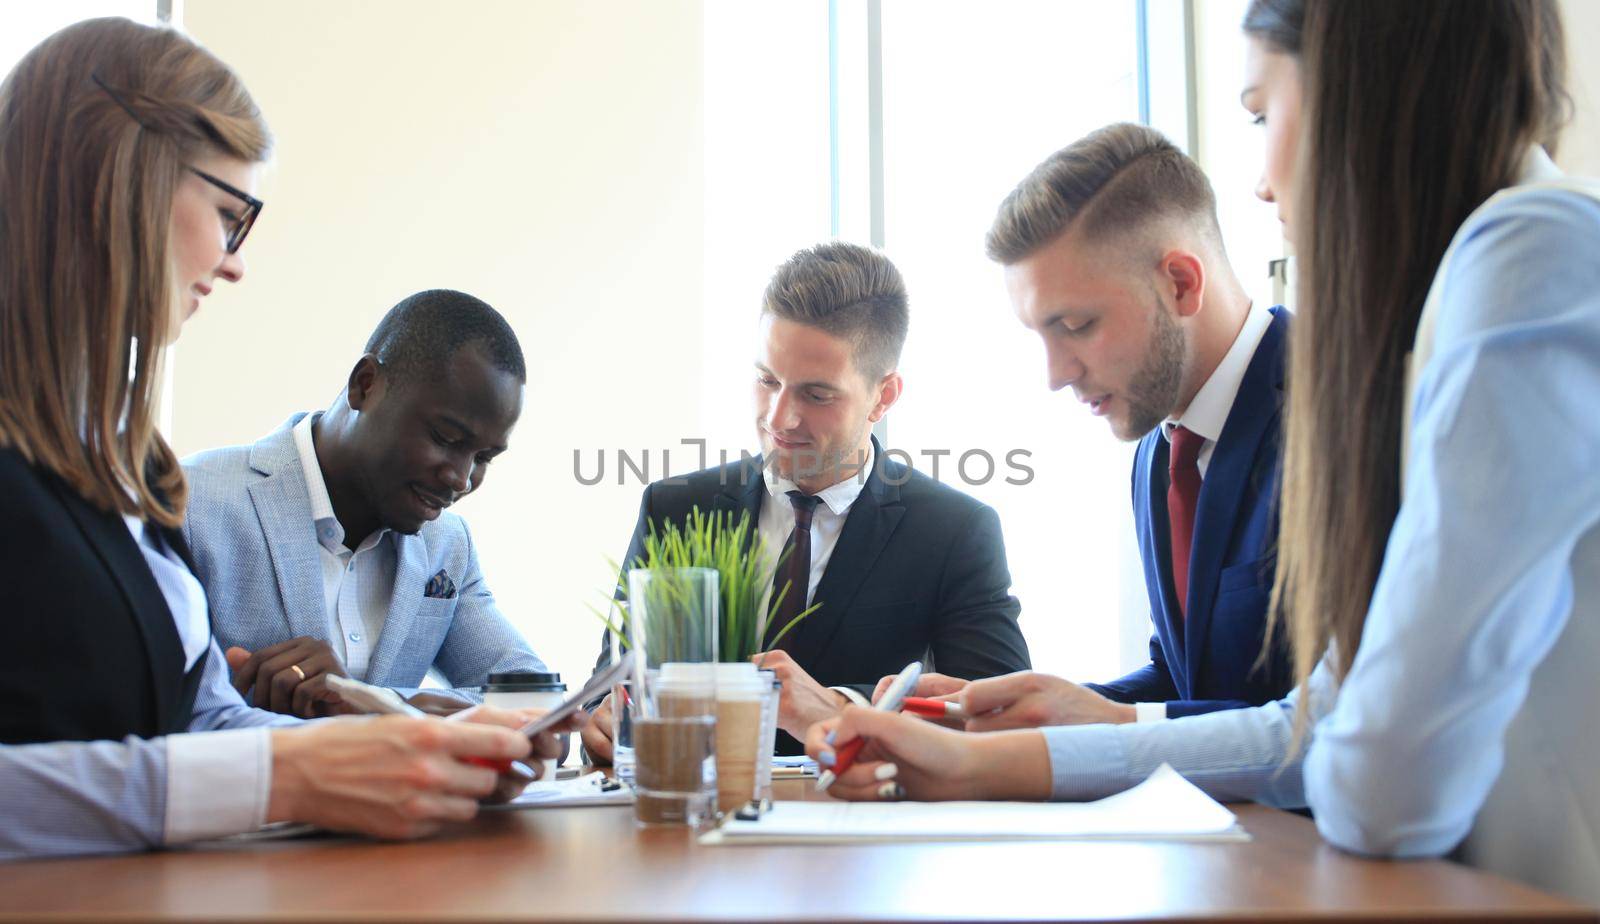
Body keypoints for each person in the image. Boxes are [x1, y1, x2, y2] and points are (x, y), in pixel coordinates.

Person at [805, 0, 1600, 904]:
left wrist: (1057, 749)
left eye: (1262, 113)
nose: (1262, 181)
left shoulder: (1509, 270)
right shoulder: (1160, 452)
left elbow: (1359, 754)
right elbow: (1302, 710)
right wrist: (1062, 712)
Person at [0, 18, 576, 861]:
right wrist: (288, 776)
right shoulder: (191, 495)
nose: (234, 262)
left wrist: (398, 737)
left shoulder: (124, 479)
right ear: (116, 182)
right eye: (228, 214)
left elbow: (202, 719)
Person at [882, 122, 1292, 729]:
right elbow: (1182, 680)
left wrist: (1102, 725)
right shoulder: (1158, 452)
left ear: (1181, 284)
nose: (1055, 374)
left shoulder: (1336, 417)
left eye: (1074, 326)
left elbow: (1337, 720)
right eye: (1040, 334)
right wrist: (1027, 710)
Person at [582, 242, 1031, 757]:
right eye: (766, 380)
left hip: (862, 823)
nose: (778, 418)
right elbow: (611, 687)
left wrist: (838, 708)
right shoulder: (675, 509)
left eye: (816, 395)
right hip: (694, 820)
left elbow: (1001, 716)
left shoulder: (954, 530)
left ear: (883, 396)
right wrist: (607, 718)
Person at [182, 289, 549, 719]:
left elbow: (539, 707)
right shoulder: (191, 505)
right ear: (365, 385)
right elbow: (159, 718)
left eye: (484, 458)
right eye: (446, 439)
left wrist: (376, 704)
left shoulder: (446, 546)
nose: (461, 478)